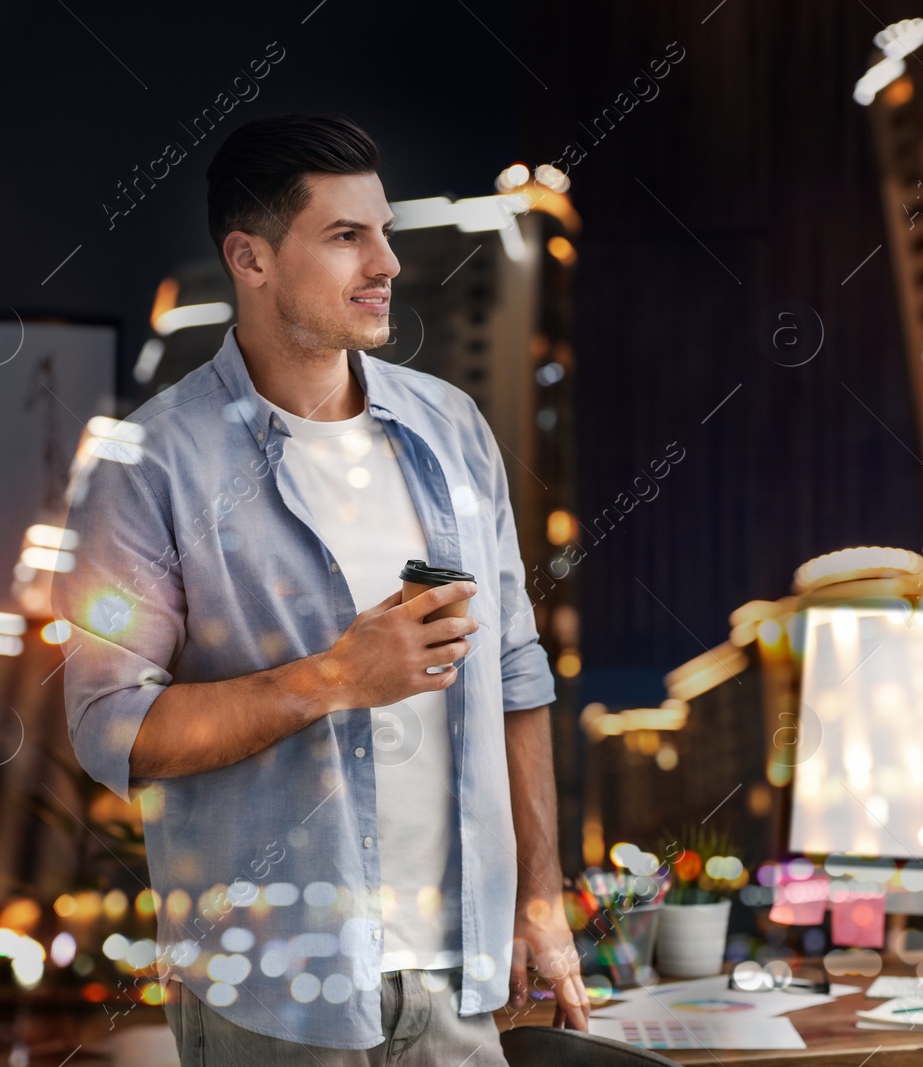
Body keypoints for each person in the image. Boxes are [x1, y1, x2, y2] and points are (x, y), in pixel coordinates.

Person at [53, 113, 588, 1064]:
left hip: (459, 980)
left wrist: (539, 902)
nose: (385, 260)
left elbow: (515, 671)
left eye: (382, 230)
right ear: (248, 258)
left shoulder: (454, 428)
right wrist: (337, 677)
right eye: (346, 236)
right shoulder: (149, 465)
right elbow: (112, 729)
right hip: (269, 992)